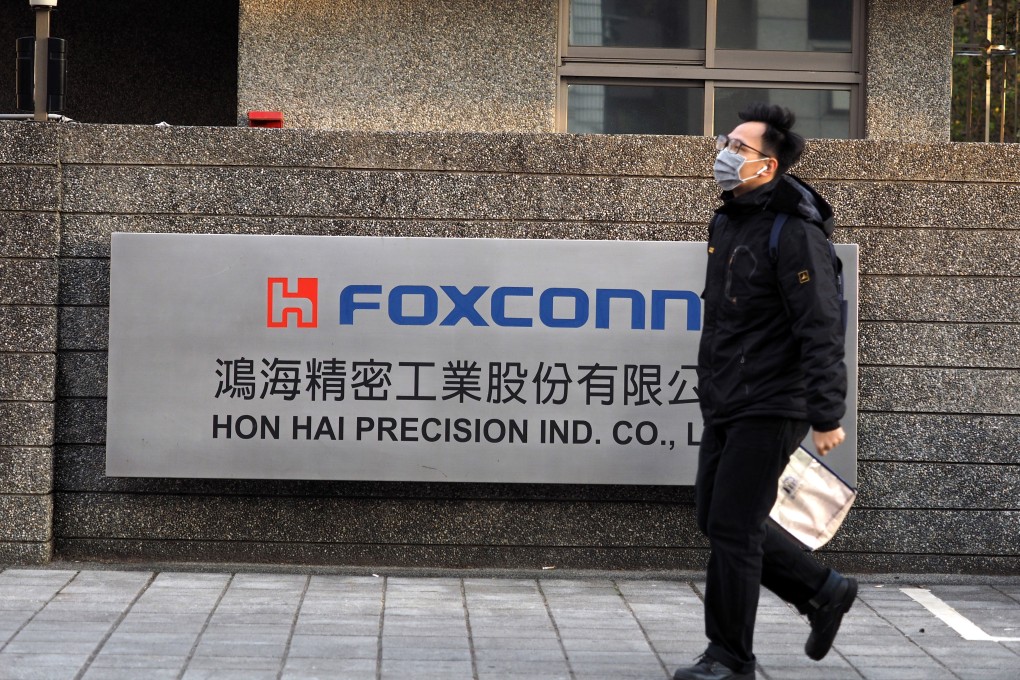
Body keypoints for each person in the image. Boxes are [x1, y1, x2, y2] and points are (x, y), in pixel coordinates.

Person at [673, 103, 857, 680]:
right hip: (728, 398)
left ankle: (730, 657)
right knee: (717, 517)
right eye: (726, 142)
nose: (725, 154)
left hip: (775, 400)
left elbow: (821, 326)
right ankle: (822, 589)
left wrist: (826, 414)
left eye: (738, 147)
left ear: (768, 164)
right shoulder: (728, 221)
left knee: (732, 525)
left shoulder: (794, 232)